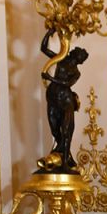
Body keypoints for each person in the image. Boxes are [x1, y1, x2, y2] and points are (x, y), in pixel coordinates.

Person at [39, 32, 90, 172]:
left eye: (82, 58)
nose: (80, 58)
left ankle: (66, 161)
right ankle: (63, 152)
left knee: (66, 129)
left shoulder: (76, 72)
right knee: (54, 127)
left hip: (66, 99)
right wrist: (49, 32)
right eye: (80, 55)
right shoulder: (61, 59)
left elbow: (66, 83)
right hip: (52, 96)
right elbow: (43, 48)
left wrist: (50, 77)